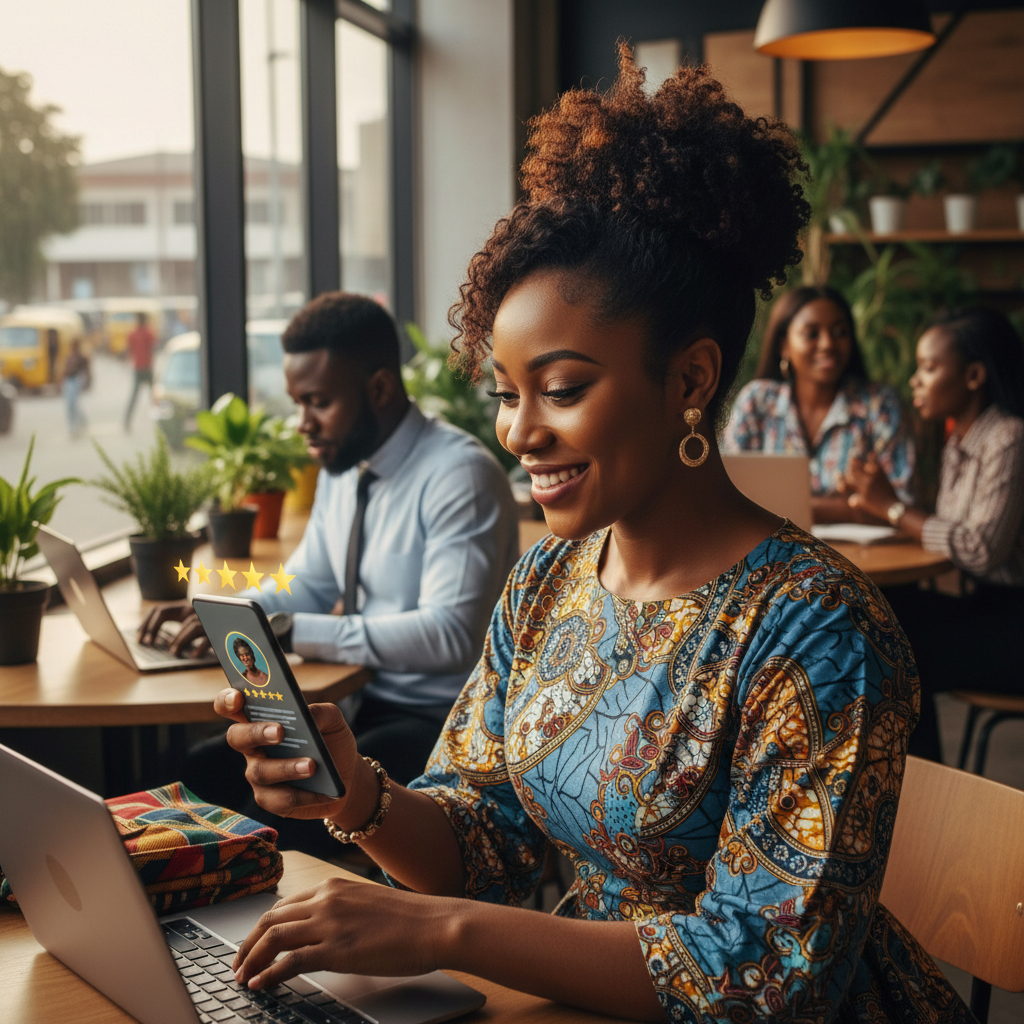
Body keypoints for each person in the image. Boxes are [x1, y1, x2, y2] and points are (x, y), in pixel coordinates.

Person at [211, 50, 972, 1024]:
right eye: (506, 394)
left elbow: (766, 975)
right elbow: (483, 837)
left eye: (561, 389)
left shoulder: (816, 628)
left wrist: (444, 932)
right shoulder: (545, 584)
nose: (521, 431)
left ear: (691, 380)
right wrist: (355, 795)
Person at [139, 292, 520, 838]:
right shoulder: (345, 466)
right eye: (298, 403)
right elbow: (312, 580)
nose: (302, 423)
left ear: (381, 389)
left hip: (438, 722)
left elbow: (449, 636)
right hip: (358, 702)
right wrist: (227, 613)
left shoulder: (459, 476)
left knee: (280, 807)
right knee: (204, 769)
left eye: (317, 402)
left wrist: (290, 630)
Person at [844, 306, 1024, 763]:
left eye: (928, 367)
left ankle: (919, 795)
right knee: (878, 613)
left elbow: (979, 548)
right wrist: (887, 507)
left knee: (899, 654)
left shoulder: (1008, 438)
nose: (915, 381)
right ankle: (905, 785)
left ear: (974, 375)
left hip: (1014, 626)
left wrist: (891, 506)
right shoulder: (960, 441)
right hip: (988, 606)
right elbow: (950, 531)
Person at [723, 286, 915, 523]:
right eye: (812, 334)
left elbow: (899, 503)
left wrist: (787, 509)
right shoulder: (757, 402)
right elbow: (727, 495)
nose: (827, 344)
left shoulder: (879, 405)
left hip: (860, 556)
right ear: (784, 345)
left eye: (840, 332)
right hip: (771, 552)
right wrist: (850, 508)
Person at [124, 312, 157, 431]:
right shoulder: (147, 333)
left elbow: (130, 350)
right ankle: (127, 422)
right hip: (145, 368)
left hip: (141, 368)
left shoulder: (135, 333)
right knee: (152, 397)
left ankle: (127, 422)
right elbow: (152, 348)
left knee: (144, 397)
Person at [61, 338, 90, 439]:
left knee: (74, 404)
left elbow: (86, 370)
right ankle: (74, 425)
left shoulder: (81, 357)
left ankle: (79, 423)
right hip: (69, 381)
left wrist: (86, 382)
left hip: (76, 380)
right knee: (70, 404)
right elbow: (65, 370)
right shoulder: (69, 357)